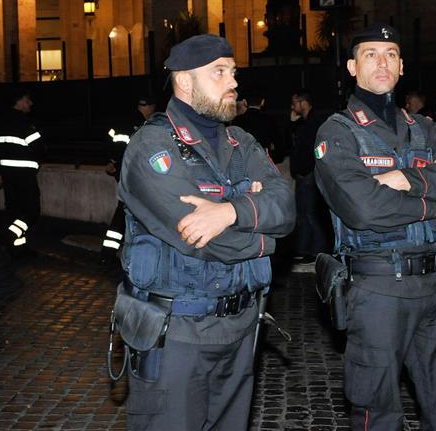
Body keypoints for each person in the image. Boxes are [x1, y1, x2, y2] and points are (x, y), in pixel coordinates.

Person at [117, 34, 295, 430]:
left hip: (241, 326)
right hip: (178, 331)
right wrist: (266, 237)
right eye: (219, 73)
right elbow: (203, 241)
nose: (233, 82)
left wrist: (230, 211)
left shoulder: (241, 141)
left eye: (232, 72)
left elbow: (286, 207)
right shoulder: (151, 147)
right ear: (184, 82)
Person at [314, 23, 436, 430]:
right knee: (378, 411)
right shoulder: (337, 132)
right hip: (378, 290)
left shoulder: (424, 128)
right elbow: (362, 209)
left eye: (390, 54)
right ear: (352, 67)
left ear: (402, 66)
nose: (382, 62)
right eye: (371, 54)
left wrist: (408, 180)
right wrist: (433, 201)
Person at [100, 95, 158, 265]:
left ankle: (109, 253)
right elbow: (125, 149)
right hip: (135, 176)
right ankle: (109, 253)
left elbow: (111, 142)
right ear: (147, 106)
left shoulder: (126, 121)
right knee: (126, 212)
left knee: (125, 211)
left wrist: (111, 162)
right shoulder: (139, 125)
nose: (153, 111)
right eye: (152, 107)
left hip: (127, 175)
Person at [0, 88, 43, 258]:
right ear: (19, 102)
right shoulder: (25, 124)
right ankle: (8, 238)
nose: (31, 103)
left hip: (7, 175)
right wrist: (34, 165)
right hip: (25, 176)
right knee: (31, 211)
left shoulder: (0, 122)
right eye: (27, 100)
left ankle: (18, 248)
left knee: (13, 211)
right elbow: (39, 149)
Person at [289, 89, 329, 261]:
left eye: (295, 102)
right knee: (304, 213)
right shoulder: (305, 122)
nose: (292, 106)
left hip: (309, 174)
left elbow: (314, 149)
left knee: (310, 213)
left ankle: (317, 250)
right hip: (304, 173)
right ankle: (305, 250)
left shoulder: (314, 123)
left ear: (304, 102)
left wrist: (308, 170)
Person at [232, 89, 280, 159]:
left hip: (244, 160)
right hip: (264, 160)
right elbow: (278, 143)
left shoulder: (237, 120)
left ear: (245, 102)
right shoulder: (269, 120)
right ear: (262, 102)